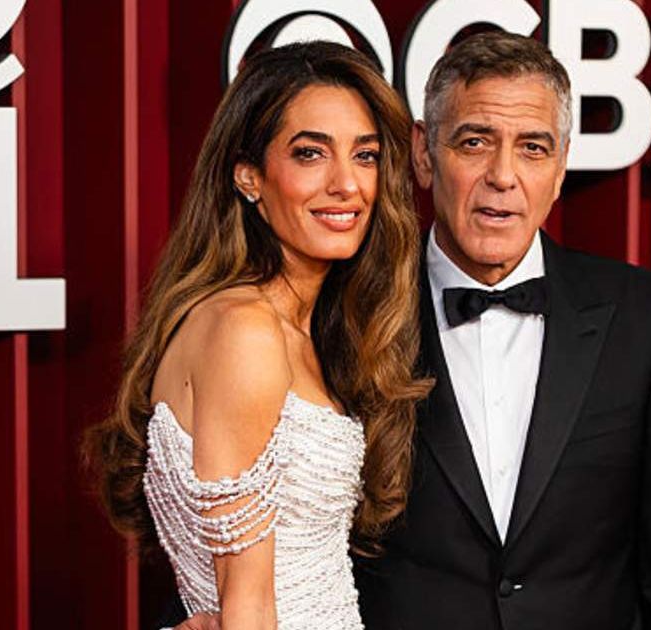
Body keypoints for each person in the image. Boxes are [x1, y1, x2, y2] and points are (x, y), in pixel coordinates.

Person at [350, 30, 651, 629]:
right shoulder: (350, 314)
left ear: (559, 167)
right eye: (475, 142)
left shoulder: (645, 317)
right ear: (423, 154)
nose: (504, 175)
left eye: (532, 148)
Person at [82, 41, 428, 630]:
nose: (347, 183)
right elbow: (248, 603)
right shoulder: (245, 329)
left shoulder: (290, 323)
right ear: (248, 177)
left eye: (365, 156)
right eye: (310, 153)